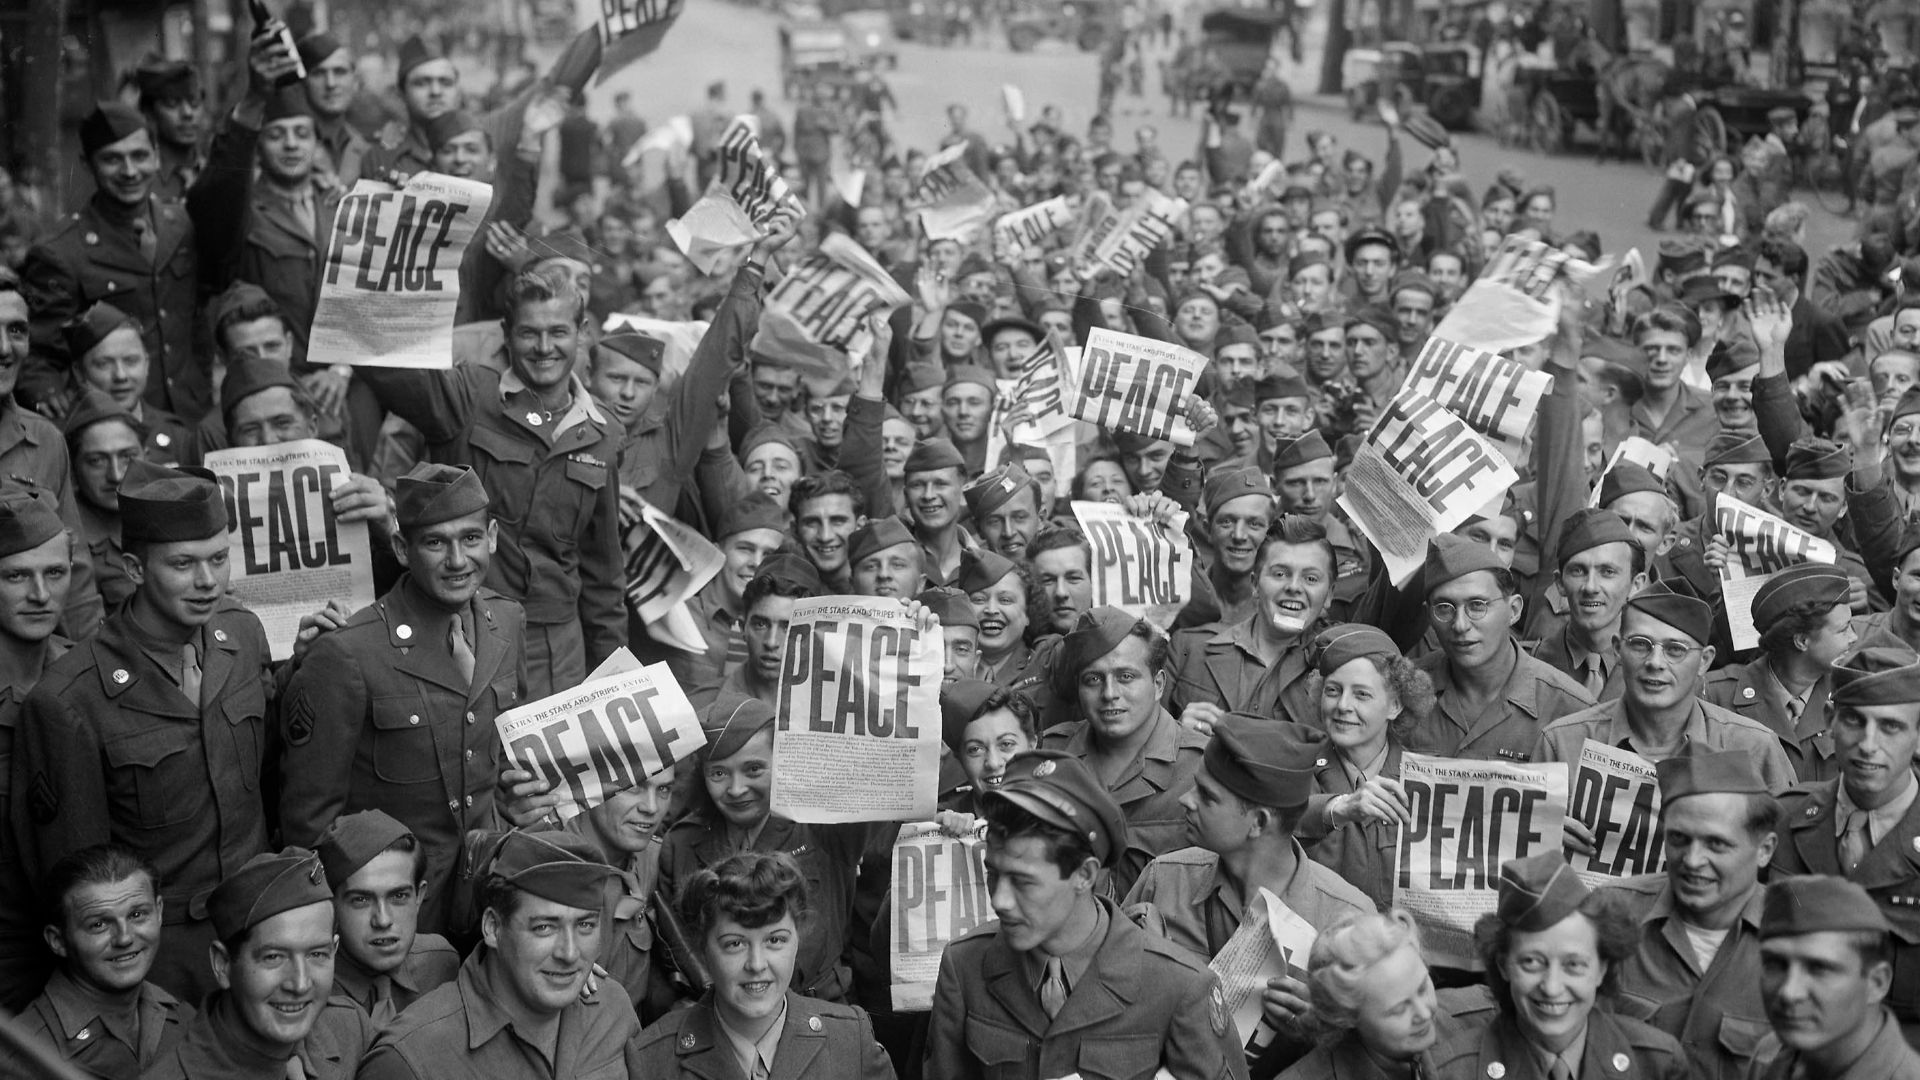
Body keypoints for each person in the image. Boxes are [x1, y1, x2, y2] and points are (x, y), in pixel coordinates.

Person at [14, 459, 274, 1003]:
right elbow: (78, 887)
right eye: (183, 564)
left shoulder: (243, 638)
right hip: (160, 969)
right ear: (134, 569)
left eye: (219, 560)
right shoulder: (69, 700)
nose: (207, 582)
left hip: (260, 936)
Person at [356, 263, 636, 697]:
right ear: (506, 332)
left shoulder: (604, 433)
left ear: (582, 332)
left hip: (557, 655)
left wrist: (614, 681)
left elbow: (603, 578)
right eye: (529, 333)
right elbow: (383, 363)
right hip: (463, 634)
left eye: (559, 332)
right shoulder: (466, 396)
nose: (544, 347)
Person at [279, 463, 528, 935]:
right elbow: (309, 826)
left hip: (487, 899)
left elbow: (506, 752)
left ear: (493, 537)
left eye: (471, 538)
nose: (458, 560)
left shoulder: (507, 622)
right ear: (401, 547)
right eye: (435, 543)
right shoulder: (349, 652)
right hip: (393, 918)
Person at [922, 749, 1249, 1080]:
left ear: (1084, 875)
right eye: (993, 873)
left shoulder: (1178, 987)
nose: (1001, 900)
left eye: (1023, 882)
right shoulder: (964, 967)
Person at [356, 830, 633, 1080]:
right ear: (492, 928)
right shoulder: (410, 1059)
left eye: (585, 926)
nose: (570, 953)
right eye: (545, 927)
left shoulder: (611, 1010)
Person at [660, 693, 872, 1004]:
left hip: (820, 1012)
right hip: (722, 1015)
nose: (736, 789)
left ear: (781, 761)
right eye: (718, 773)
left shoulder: (824, 826)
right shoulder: (680, 844)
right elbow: (676, 949)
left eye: (754, 769)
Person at [626, 851, 896, 1080]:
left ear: (798, 939)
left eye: (775, 940)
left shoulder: (849, 1042)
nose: (756, 964)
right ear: (703, 949)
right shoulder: (654, 1059)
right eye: (735, 944)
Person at [1768, 645, 1920, 1044]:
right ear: (1831, 721)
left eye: (1891, 727)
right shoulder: (1789, 819)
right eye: (1855, 721)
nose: (1868, 745)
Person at [1433, 852, 1689, 1080]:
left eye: (1574, 964)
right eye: (1532, 963)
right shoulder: (1450, 1071)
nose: (1552, 988)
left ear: (1601, 968)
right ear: (1503, 966)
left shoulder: (1657, 1063)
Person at [140, 846, 375, 1080]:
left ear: (334, 950)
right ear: (223, 964)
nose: (300, 984)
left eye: (317, 955)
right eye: (274, 957)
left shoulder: (349, 1028)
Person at [1536, 584, 1797, 790]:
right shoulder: (1564, 743)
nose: (1655, 663)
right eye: (1640, 644)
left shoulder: (1752, 747)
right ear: (1617, 650)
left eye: (1675, 650)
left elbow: (1779, 851)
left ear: (1704, 661)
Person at [1040, 607, 1206, 896]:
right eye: (1093, 679)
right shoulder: (1051, 756)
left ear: (1158, 685)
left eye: (1126, 677)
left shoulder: (1202, 768)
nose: (1109, 693)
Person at [1411, 534, 1593, 763]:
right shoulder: (1401, 692)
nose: (1460, 625)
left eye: (1477, 606)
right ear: (1429, 614)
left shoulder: (1570, 708)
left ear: (1514, 610)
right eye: (1444, 608)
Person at [15, 844, 190, 1079]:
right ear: (58, 941)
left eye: (137, 915)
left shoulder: (184, 1018)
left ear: (159, 912)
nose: (125, 938)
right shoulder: (22, 1057)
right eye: (99, 924)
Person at [1294, 625, 1435, 911]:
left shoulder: (1427, 780)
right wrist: (1336, 808)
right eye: (1333, 691)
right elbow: (1275, 824)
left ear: (1395, 705)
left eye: (1361, 695)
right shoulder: (1295, 769)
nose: (1343, 705)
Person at [0, 485, 74, 1005]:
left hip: (81, 951)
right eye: (16, 576)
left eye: (55, 573)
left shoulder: (84, 674)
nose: (40, 595)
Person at [1168, 516, 1336, 731]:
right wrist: (1178, 733)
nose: (1294, 587)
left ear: (1329, 594)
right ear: (1255, 584)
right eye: (1280, 574)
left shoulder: (1335, 666)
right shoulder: (1188, 648)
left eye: (1311, 578)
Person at [1752, 876, 1920, 1079]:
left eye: (1819, 969)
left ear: (1877, 983)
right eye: (1775, 964)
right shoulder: (1770, 1056)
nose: (1789, 992)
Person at [1702, 564, 1855, 782]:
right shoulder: (1714, 696)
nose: (1854, 637)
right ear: (1802, 641)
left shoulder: (1850, 696)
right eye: (1843, 629)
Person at [314, 810, 459, 1024]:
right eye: (361, 900)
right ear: (331, 906)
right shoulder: (310, 993)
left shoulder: (439, 964)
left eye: (399, 896)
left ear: (419, 896)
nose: (383, 920)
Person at [1278, 910, 1456, 1080]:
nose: (1424, 1013)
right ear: (1347, 1017)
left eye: (1423, 988)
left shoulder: (1479, 1018)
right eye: (1400, 1009)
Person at [1529, 508, 1646, 701]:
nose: (1590, 587)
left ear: (1636, 585)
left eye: (1607, 572)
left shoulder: (1655, 673)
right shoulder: (1527, 664)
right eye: (1578, 571)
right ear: (1559, 583)